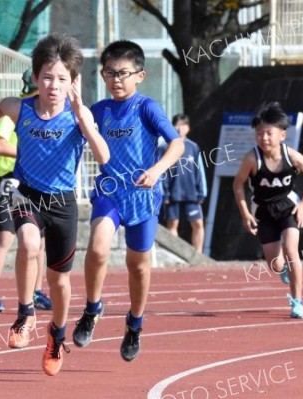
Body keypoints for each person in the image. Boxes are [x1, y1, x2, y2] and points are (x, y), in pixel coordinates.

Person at [0, 34, 109, 376]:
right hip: (27, 193)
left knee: (59, 281)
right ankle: (25, 314)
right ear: (36, 77)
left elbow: (103, 155)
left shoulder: (79, 116)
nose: (54, 85)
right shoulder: (20, 108)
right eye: (48, 77)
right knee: (26, 241)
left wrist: (83, 116)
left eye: (63, 79)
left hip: (63, 203)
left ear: (74, 82)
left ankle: (57, 335)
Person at [71, 40, 184, 361]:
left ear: (140, 76)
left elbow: (176, 145)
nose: (116, 79)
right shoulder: (100, 111)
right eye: (109, 73)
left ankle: (134, 323)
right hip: (109, 192)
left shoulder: (147, 108)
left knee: (138, 265)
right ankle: (92, 309)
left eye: (123, 73)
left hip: (144, 198)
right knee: (97, 247)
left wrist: (157, 169)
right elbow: (73, 135)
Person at [233, 102, 303, 319]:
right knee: (274, 263)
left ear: (282, 134)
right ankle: (282, 271)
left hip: (288, 207)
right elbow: (237, 185)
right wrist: (245, 214)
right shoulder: (252, 159)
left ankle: (297, 302)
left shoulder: (291, 156)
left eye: (268, 133)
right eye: (259, 133)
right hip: (263, 211)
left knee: (292, 250)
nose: (264, 138)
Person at [0, 68, 52, 313]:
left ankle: (37, 291)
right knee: (5, 236)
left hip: (35, 180)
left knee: (38, 238)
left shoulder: (47, 114)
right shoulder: (16, 111)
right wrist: (26, 153)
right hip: (9, 179)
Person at [162, 114, 208, 253]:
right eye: (177, 125)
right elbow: (161, 171)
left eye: (183, 125)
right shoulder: (165, 147)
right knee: (172, 223)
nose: (180, 128)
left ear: (188, 128)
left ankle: (198, 255)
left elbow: (199, 171)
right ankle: (175, 252)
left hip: (191, 193)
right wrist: (164, 193)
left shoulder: (193, 147)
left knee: (198, 223)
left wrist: (201, 192)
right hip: (172, 192)